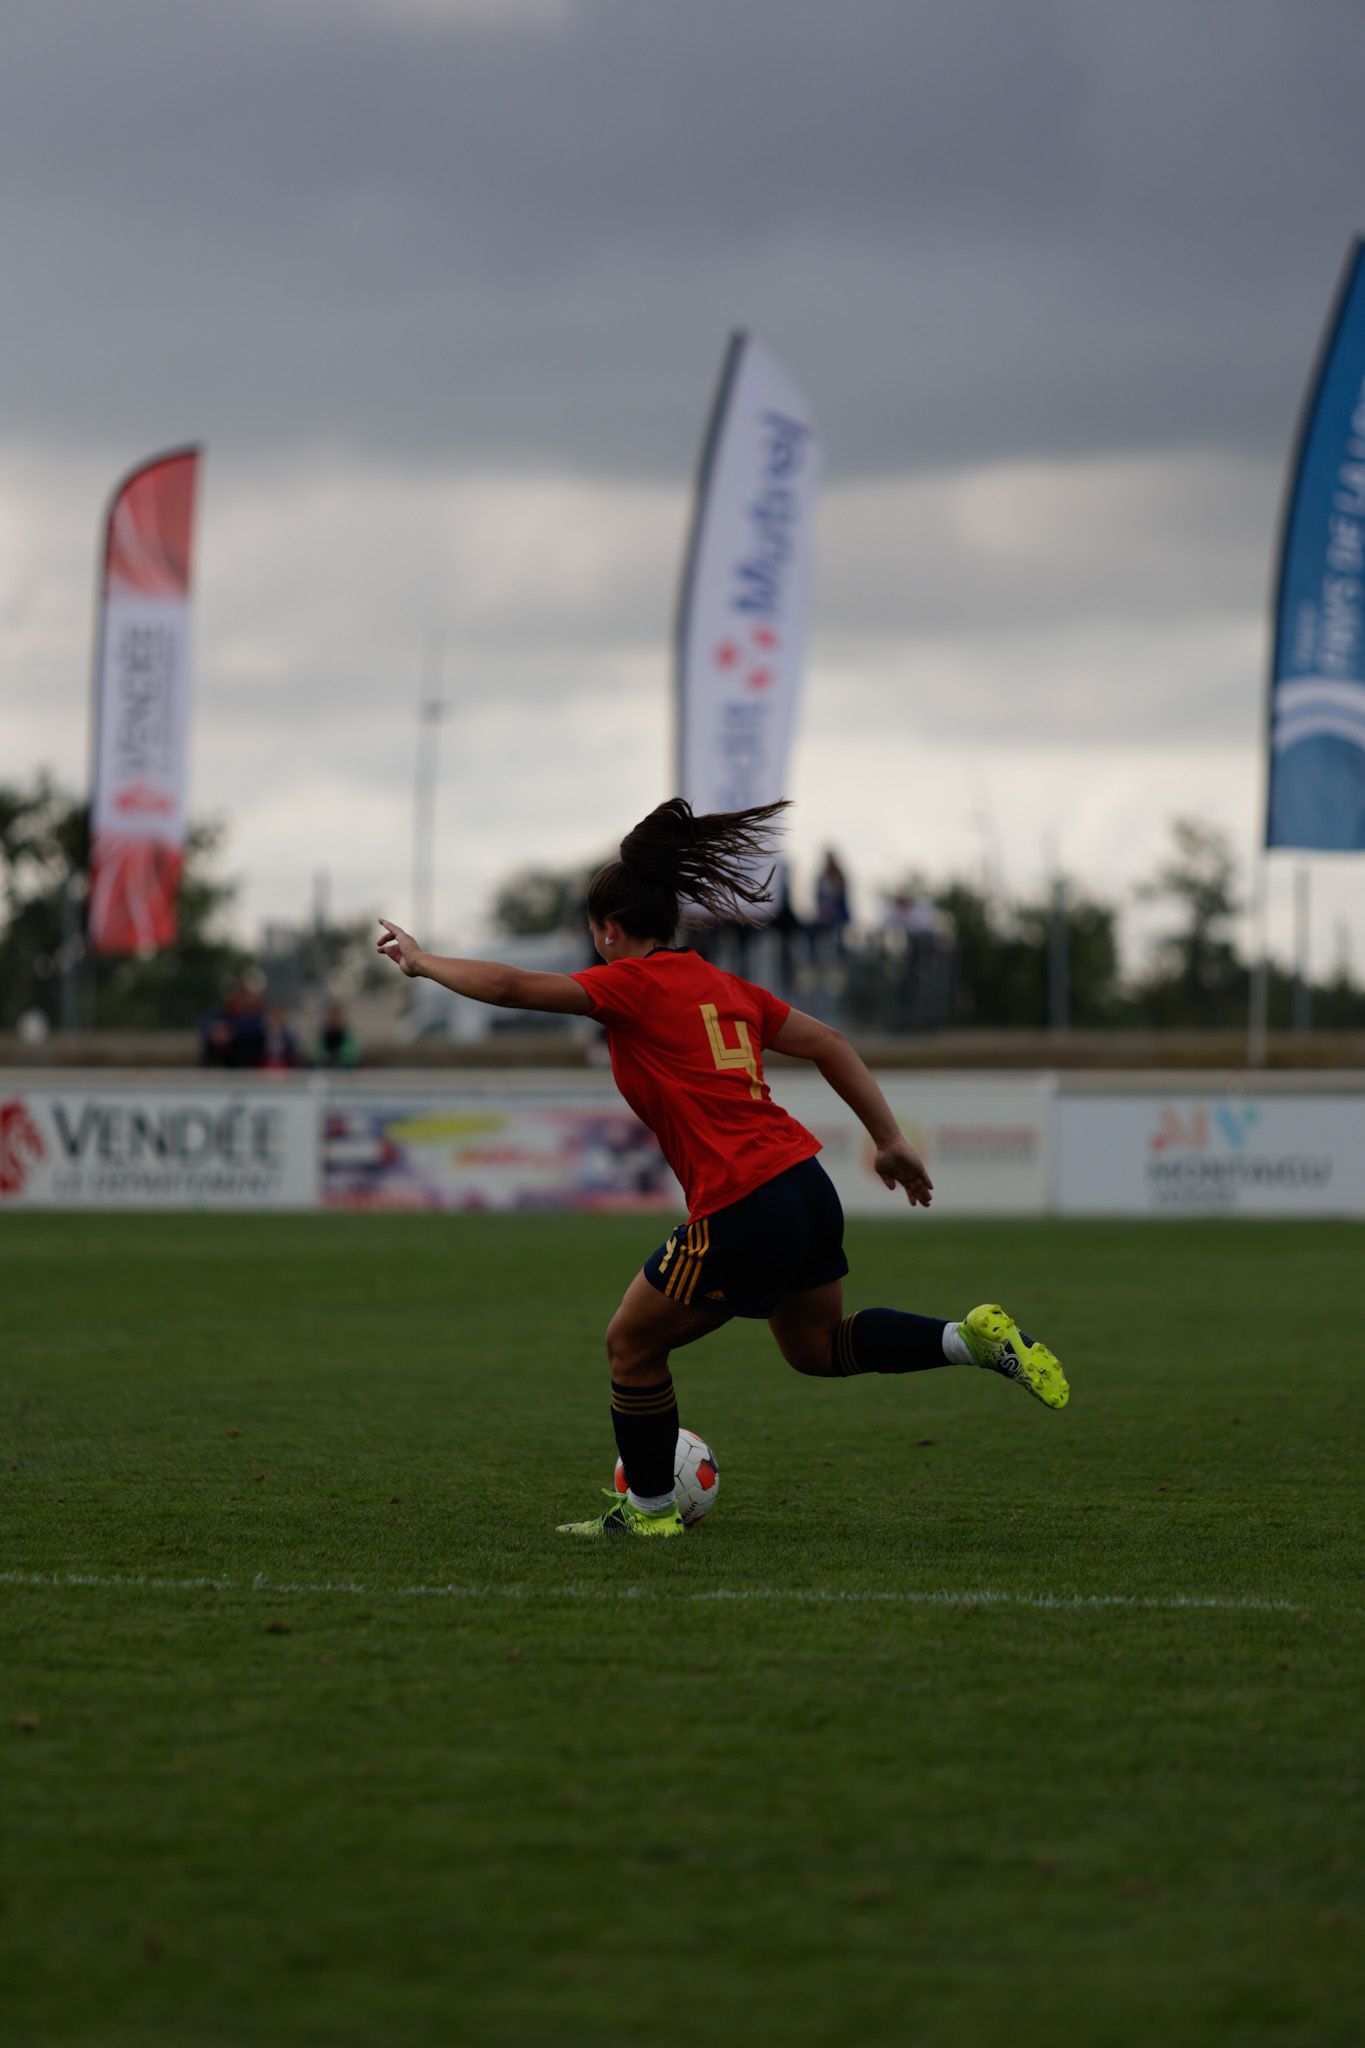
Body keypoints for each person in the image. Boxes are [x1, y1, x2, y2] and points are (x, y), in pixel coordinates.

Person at [377, 799, 1068, 1540]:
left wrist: (423, 961)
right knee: (816, 1349)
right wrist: (888, 1139)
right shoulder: (724, 986)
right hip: (804, 1184)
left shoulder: (631, 984)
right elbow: (831, 1042)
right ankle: (969, 1339)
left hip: (744, 1200)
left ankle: (649, 1514)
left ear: (608, 930)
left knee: (630, 1345)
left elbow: (515, 988)